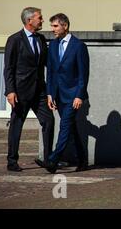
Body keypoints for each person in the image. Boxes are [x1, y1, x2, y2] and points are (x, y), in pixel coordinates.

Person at [3, 7, 55, 172]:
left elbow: (47, 63)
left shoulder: (40, 39)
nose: (42, 21)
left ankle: (48, 160)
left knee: (49, 121)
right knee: (17, 125)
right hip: (20, 91)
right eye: (40, 18)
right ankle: (12, 161)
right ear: (29, 20)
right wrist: (10, 91)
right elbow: (8, 68)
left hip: (39, 91)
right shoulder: (15, 40)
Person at [44, 13, 90, 173]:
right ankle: (83, 161)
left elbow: (84, 74)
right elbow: (50, 71)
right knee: (71, 128)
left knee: (64, 126)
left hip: (73, 96)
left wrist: (79, 95)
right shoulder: (53, 45)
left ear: (65, 26)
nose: (53, 30)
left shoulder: (78, 46)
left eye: (55, 26)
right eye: (52, 26)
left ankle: (53, 160)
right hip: (58, 95)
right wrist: (50, 93)